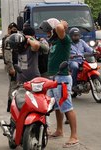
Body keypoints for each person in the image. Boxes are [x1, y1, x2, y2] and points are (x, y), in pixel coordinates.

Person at [39, 18, 79, 148]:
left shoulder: (64, 40)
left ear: (54, 30)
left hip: (62, 78)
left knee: (67, 107)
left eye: (49, 31)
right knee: (55, 106)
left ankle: (74, 136)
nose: (47, 34)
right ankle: (59, 130)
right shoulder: (55, 42)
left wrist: (61, 23)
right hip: (53, 78)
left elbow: (61, 29)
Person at [3, 22, 19, 112]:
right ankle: (11, 105)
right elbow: (7, 55)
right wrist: (10, 68)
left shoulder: (17, 38)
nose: (14, 31)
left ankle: (12, 105)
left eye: (15, 29)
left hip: (16, 65)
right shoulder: (8, 40)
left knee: (14, 85)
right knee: (13, 86)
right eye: (12, 30)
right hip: (11, 66)